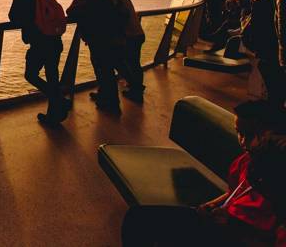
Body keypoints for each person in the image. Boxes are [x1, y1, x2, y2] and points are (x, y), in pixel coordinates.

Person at [121, 100, 285, 246]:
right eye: (239, 133)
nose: (242, 141)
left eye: (249, 135)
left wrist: (232, 225)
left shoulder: (274, 172)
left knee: (148, 226)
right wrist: (212, 204)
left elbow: (270, 232)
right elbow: (234, 191)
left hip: (235, 233)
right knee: (137, 219)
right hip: (223, 220)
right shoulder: (247, 160)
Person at [8, 0, 68, 125]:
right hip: (54, 40)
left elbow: (13, 17)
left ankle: (58, 102)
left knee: (30, 74)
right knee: (52, 77)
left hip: (39, 43)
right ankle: (54, 114)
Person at [66, 0, 125, 114]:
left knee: (101, 68)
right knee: (108, 70)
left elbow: (70, 12)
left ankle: (109, 102)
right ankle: (109, 99)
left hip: (96, 38)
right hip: (110, 36)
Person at [101, 0, 146, 103]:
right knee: (134, 64)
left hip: (130, 36)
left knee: (123, 62)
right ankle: (137, 87)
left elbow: (119, 14)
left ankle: (135, 89)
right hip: (137, 33)